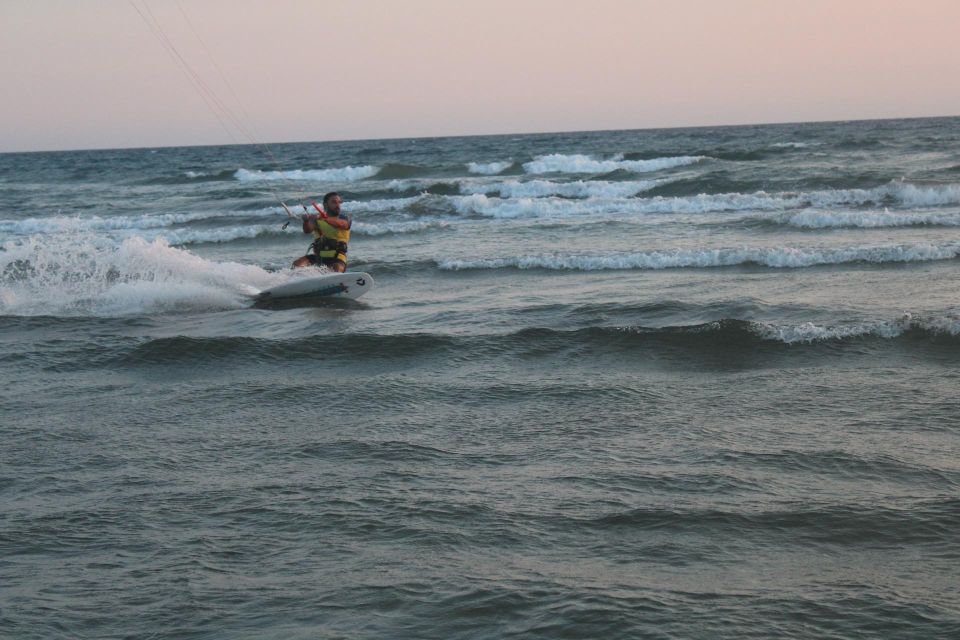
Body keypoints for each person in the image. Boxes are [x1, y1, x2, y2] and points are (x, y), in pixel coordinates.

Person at [292, 191, 351, 272]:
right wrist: (306, 221)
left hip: (337, 258)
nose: (338, 205)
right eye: (334, 202)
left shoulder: (344, 218)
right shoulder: (317, 219)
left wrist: (325, 219)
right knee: (297, 264)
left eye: (339, 202)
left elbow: (342, 224)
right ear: (325, 205)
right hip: (319, 258)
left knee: (336, 268)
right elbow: (307, 230)